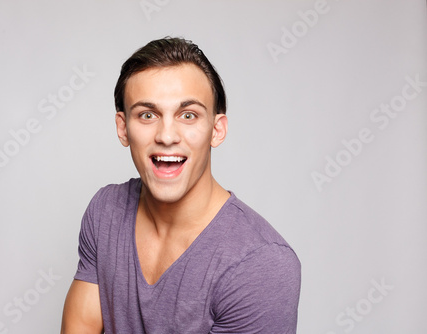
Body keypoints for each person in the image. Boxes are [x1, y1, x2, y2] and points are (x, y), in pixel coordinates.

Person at [61, 37, 301, 334]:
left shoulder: (261, 263)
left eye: (188, 115)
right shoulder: (105, 211)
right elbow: (80, 327)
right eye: (147, 115)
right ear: (123, 128)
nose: (167, 135)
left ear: (216, 130)